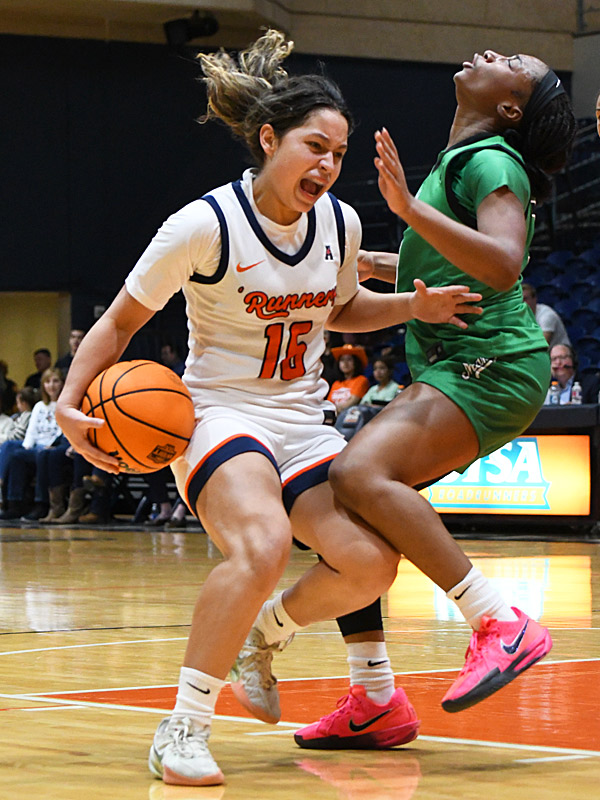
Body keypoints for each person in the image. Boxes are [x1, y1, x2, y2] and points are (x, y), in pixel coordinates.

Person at [55, 30, 483, 786]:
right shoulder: (204, 224)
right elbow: (118, 324)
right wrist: (66, 400)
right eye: (314, 147)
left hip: (301, 422)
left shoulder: (341, 224)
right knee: (262, 545)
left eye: (338, 154)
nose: (327, 166)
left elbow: (340, 309)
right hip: (220, 413)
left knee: (370, 565)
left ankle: (264, 631)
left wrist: (410, 307)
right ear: (267, 140)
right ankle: (183, 727)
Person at [237, 49, 577, 748]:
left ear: (509, 107)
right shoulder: (466, 159)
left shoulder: (494, 161)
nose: (493, 53)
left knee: (358, 473)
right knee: (353, 517)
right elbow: (456, 264)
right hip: (462, 359)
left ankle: (498, 621)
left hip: (494, 362)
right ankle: (374, 697)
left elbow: (503, 263)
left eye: (514, 63)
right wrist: (381, 264)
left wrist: (408, 210)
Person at [0, 368, 64, 520]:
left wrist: (53, 444)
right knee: (11, 449)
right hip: (36, 445)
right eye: (47, 382)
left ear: (62, 384)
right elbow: (32, 431)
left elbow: (63, 430)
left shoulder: (66, 404)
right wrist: (27, 446)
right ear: (43, 385)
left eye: (55, 381)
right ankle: (13, 501)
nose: (51, 385)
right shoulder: (39, 406)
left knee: (42, 454)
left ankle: (41, 503)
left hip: (52, 446)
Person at [522, 282, 570, 348]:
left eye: (525, 299)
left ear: (534, 299)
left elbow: (542, 346)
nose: (522, 303)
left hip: (561, 352)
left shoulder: (547, 315)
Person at [327, 343, 370, 412]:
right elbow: (328, 404)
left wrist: (332, 411)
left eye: (349, 359)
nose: (345, 363)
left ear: (356, 363)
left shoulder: (361, 380)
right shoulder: (336, 383)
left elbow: (351, 403)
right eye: (342, 360)